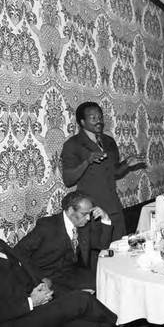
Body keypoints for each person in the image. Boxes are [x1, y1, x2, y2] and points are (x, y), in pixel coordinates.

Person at [0, 203, 117, 327]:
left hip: (33, 304)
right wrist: (31, 302)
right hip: (11, 322)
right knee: (82, 300)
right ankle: (122, 325)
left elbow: (24, 266)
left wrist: (42, 285)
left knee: (87, 323)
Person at [61, 101, 145, 241]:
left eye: (100, 117)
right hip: (92, 211)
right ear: (82, 122)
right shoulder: (73, 144)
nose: (98, 121)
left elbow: (114, 172)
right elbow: (68, 180)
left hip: (114, 207)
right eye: (93, 118)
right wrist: (87, 161)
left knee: (120, 248)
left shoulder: (109, 141)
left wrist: (126, 164)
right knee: (99, 255)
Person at [14, 191, 113, 293]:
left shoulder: (83, 225)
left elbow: (102, 244)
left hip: (73, 273)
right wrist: (39, 278)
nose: (88, 218)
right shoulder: (47, 226)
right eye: (85, 214)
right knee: (81, 298)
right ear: (70, 210)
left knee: (105, 284)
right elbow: (18, 252)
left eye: (90, 214)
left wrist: (105, 218)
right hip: (48, 277)